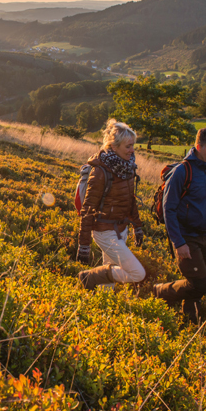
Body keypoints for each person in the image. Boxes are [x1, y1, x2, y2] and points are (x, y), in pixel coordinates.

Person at [153, 128, 206, 324]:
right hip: (185, 236)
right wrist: (178, 243)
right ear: (198, 147)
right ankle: (160, 291)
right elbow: (168, 209)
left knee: (198, 282)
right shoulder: (182, 171)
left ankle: (190, 320)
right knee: (202, 283)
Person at [77, 119, 146, 290]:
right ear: (114, 147)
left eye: (133, 145)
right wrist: (84, 244)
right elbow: (88, 208)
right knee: (138, 273)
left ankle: (100, 305)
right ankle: (88, 277)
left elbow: (130, 201)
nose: (132, 150)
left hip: (121, 229)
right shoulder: (100, 171)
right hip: (104, 231)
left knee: (107, 284)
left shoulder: (128, 167)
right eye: (128, 146)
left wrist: (137, 226)